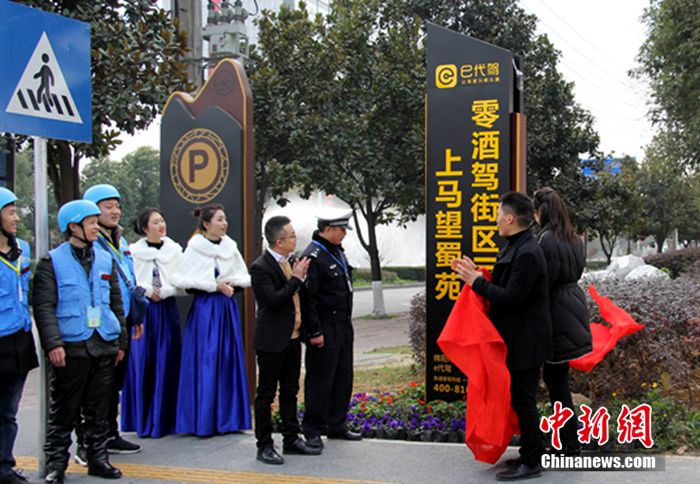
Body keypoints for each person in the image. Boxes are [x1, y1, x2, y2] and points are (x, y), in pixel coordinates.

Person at [453, 192, 551, 481]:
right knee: (518, 398)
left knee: (524, 399)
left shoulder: (528, 253)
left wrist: (476, 282)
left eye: (498, 214)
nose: (495, 220)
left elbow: (511, 297)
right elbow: (505, 287)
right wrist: (476, 276)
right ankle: (528, 453)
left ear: (509, 218)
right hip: (517, 337)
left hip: (527, 340)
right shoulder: (516, 247)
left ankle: (533, 460)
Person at [33, 200, 127, 483]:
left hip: (103, 342)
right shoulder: (52, 261)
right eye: (92, 223)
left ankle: (98, 459)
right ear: (73, 227)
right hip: (71, 346)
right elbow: (44, 306)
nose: (97, 227)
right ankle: (56, 465)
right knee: (64, 410)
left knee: (98, 409)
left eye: (97, 222)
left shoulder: (104, 258)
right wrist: (53, 344)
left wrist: (120, 341)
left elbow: (115, 302)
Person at [172, 204, 252, 436]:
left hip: (226, 309)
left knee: (227, 359)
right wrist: (211, 285)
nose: (224, 223)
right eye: (219, 219)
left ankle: (228, 418)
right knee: (206, 359)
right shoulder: (195, 248)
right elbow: (184, 280)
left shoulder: (230, 247)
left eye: (225, 219)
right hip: (205, 310)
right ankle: (203, 419)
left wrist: (231, 286)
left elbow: (242, 275)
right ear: (206, 224)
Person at [77, 184, 142, 460]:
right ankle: (87, 441)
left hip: (123, 320)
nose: (115, 211)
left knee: (116, 380)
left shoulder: (121, 241)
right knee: (95, 385)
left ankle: (110, 434)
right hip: (99, 324)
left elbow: (130, 278)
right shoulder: (90, 244)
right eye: (108, 206)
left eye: (117, 205)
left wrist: (135, 318)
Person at [251, 216, 320, 465]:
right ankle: (264, 445)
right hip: (272, 341)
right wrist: (296, 279)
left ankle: (291, 439)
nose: (295, 239)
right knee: (266, 395)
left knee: (290, 391)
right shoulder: (260, 267)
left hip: (292, 339)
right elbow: (273, 300)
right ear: (278, 241)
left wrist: (300, 279)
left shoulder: (292, 261)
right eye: (291, 236)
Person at [533, 187, 591, 455]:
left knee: (557, 386)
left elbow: (540, 281)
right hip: (572, 307)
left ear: (541, 212)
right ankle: (570, 442)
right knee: (560, 383)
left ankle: (569, 445)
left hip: (555, 313)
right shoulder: (573, 239)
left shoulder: (544, 240)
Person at [301, 209, 362, 450]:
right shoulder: (313, 256)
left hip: (343, 325)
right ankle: (313, 429)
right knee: (320, 380)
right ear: (327, 229)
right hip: (325, 327)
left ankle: (337, 425)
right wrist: (314, 332)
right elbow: (309, 300)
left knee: (342, 377)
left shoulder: (336, 250)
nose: (344, 234)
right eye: (341, 229)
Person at [120, 208, 184, 438]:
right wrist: (147, 290)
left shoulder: (174, 249)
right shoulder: (133, 251)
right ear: (145, 227)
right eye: (155, 222)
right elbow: (129, 280)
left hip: (167, 310)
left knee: (167, 359)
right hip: (143, 311)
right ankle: (142, 418)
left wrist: (165, 291)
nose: (161, 225)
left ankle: (166, 419)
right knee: (142, 361)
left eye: (162, 220)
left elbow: (182, 280)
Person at [0, 188, 37, 484]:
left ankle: (4, 466)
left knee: (9, 411)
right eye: (10, 212)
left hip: (20, 339)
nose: (16, 218)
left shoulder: (22, 249)